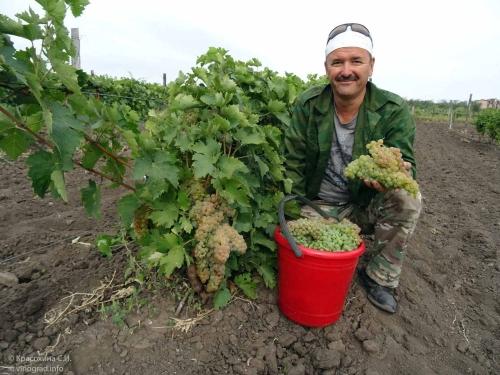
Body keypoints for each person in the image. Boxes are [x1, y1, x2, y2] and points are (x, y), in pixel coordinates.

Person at [284, 23, 422, 313]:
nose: (346, 70)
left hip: (363, 205)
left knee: (406, 197)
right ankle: (331, 237)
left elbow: (406, 163)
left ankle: (379, 277)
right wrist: (293, 214)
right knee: (310, 257)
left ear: (371, 66)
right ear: (326, 68)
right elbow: (293, 163)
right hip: (317, 206)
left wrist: (398, 172)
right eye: (337, 62)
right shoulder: (308, 105)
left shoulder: (392, 109)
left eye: (356, 61)